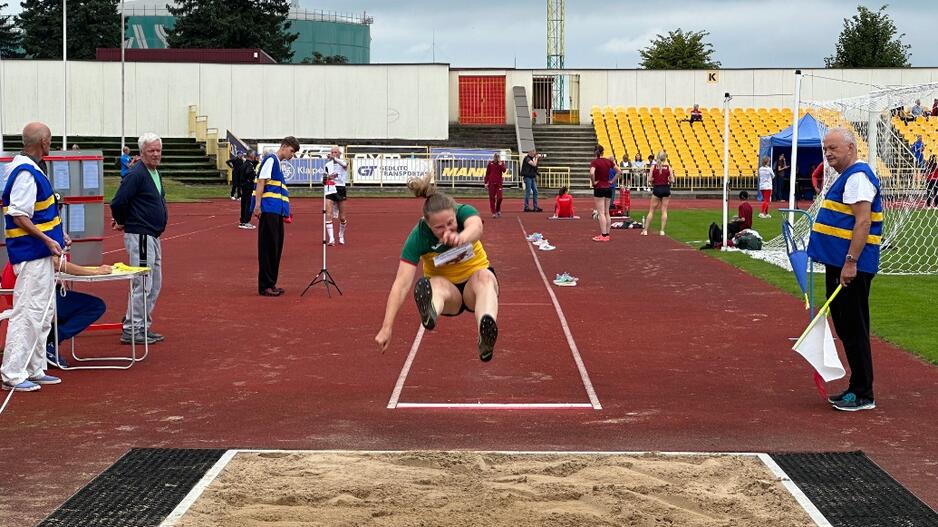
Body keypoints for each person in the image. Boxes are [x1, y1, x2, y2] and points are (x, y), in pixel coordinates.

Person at [374, 173, 499, 362]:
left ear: (455, 213)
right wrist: (386, 326)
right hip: (450, 295)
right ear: (427, 224)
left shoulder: (464, 212)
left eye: (450, 223)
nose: (446, 230)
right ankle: (431, 310)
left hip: (474, 287)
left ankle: (486, 330)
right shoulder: (419, 237)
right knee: (435, 284)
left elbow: (477, 227)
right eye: (439, 228)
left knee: (485, 277)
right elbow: (401, 284)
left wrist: (460, 238)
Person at [807, 128, 883, 412]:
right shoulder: (848, 176)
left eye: (833, 148)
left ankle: (863, 393)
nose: (828, 154)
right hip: (841, 264)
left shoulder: (858, 177)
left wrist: (851, 262)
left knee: (853, 327)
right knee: (845, 325)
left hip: (850, 266)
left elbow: (863, 222)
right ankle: (857, 387)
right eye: (825, 148)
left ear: (851, 148)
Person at [1, 122, 65, 391]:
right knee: (28, 312)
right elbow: (18, 214)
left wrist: (58, 234)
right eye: (50, 140)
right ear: (44, 142)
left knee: (42, 311)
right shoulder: (26, 173)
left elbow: (38, 214)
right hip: (32, 253)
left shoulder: (30, 169)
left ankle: (34, 367)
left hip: (39, 253)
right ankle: (12, 373)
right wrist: (48, 239)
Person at [1, 257, 111, 369]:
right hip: (32, 298)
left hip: (21, 295)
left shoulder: (24, 250)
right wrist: (96, 271)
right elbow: (58, 264)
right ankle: (51, 338)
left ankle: (46, 340)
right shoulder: (41, 248)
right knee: (96, 306)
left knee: (67, 298)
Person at [110, 132, 168, 345]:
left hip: (152, 235)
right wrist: (122, 220)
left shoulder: (154, 172)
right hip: (141, 235)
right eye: (151, 150)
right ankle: (132, 328)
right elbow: (118, 202)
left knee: (154, 283)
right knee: (143, 283)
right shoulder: (136, 174)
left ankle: (142, 325)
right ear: (142, 152)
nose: (156, 154)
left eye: (158, 150)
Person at [253, 136, 299, 296]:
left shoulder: (277, 164)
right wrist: (257, 205)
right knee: (268, 248)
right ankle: (265, 285)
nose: (292, 155)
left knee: (275, 248)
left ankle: (271, 283)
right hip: (269, 210)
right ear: (284, 146)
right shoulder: (271, 160)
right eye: (291, 151)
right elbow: (261, 182)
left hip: (276, 211)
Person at [588, 145, 618, 241]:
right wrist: (612, 181)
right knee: (607, 212)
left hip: (599, 187)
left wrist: (593, 182)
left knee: (601, 213)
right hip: (608, 187)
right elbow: (619, 171)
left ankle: (604, 235)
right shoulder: (608, 161)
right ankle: (607, 234)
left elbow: (592, 173)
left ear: (595, 152)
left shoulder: (595, 162)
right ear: (603, 152)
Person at [641, 151, 674, 236]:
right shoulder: (668, 167)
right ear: (665, 158)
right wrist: (668, 179)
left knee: (651, 211)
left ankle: (645, 230)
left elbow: (649, 179)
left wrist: (654, 179)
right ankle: (662, 230)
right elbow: (672, 180)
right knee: (664, 211)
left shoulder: (653, 167)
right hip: (666, 189)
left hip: (657, 189)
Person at [324, 146, 349, 245]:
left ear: (339, 154)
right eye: (332, 152)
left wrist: (334, 158)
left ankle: (341, 235)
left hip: (340, 189)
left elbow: (344, 165)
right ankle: (331, 239)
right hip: (330, 188)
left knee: (342, 217)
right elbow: (323, 179)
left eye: (335, 152)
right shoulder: (327, 165)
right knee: (328, 214)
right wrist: (328, 177)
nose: (333, 154)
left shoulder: (343, 162)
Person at [238, 150, 258, 229]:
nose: (255, 156)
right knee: (248, 204)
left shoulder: (244, 164)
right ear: (251, 155)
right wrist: (253, 176)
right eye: (254, 155)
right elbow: (249, 173)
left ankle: (242, 221)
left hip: (243, 185)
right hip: (248, 186)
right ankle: (246, 221)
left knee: (243, 203)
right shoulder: (249, 164)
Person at [484, 152, 506, 218]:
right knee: (492, 198)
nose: (496, 158)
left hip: (499, 183)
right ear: (493, 157)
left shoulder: (501, 163)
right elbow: (487, 174)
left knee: (500, 198)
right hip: (491, 183)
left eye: (497, 157)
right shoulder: (490, 164)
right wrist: (486, 183)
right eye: (495, 157)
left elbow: (504, 170)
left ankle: (497, 209)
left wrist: (500, 164)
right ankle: (493, 212)